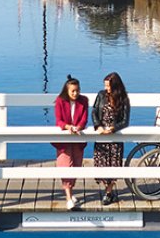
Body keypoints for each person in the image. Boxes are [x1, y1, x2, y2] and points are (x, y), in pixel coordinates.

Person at [92, 72, 130, 205]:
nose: (106, 88)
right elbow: (94, 112)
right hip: (102, 135)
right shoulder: (101, 95)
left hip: (115, 137)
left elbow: (125, 120)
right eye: (105, 86)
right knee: (101, 165)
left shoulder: (123, 99)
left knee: (114, 165)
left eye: (109, 86)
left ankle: (109, 192)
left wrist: (114, 128)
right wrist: (98, 126)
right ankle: (107, 190)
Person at [53, 75, 88, 210]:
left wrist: (78, 127)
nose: (75, 93)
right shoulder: (60, 101)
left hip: (78, 137)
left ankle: (71, 191)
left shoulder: (83, 100)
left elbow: (84, 119)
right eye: (73, 91)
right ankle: (68, 196)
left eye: (77, 90)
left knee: (77, 164)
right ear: (66, 91)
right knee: (65, 165)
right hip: (64, 139)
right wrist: (68, 127)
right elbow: (59, 120)